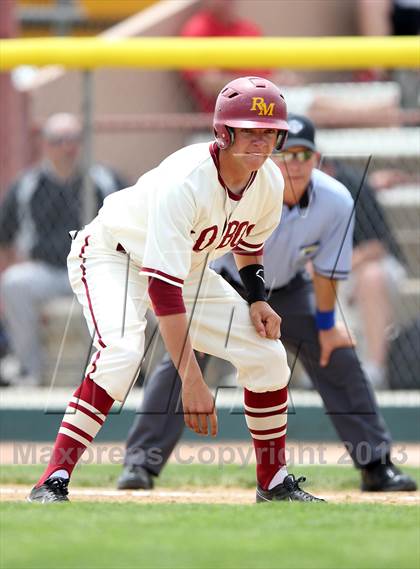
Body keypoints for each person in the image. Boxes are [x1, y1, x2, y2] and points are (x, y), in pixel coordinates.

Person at [27, 77, 325, 503]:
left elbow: (248, 243)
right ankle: (52, 479)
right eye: (250, 130)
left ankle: (273, 483)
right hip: (114, 255)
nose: (262, 141)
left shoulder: (269, 182)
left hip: (184, 269)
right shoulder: (186, 180)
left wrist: (257, 298)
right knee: (121, 354)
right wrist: (191, 378)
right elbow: (163, 294)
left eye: (270, 132)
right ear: (224, 132)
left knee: (267, 355)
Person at [117, 113, 417, 494]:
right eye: (285, 153)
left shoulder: (336, 200)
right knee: (182, 357)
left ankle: (376, 465)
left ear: (317, 159)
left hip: (290, 289)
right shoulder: (253, 185)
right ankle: (141, 463)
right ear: (272, 156)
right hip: (224, 281)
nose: (293, 163)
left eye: (302, 155)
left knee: (338, 355)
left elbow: (326, 273)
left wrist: (326, 326)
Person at [0, 113, 126, 386]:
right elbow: (5, 238)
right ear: (45, 145)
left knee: (120, 287)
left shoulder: (103, 180)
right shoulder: (28, 185)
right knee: (13, 283)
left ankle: (106, 376)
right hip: (46, 270)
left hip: (93, 269)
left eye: (73, 140)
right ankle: (28, 371)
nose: (67, 147)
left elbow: (134, 221)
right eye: (59, 141)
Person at [321, 158, 408, 389]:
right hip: (326, 269)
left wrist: (335, 266)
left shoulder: (352, 183)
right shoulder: (288, 189)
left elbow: (377, 247)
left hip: (367, 264)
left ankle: (374, 371)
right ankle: (318, 370)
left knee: (372, 277)